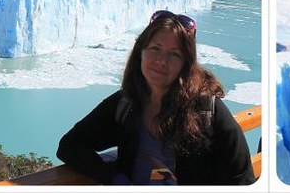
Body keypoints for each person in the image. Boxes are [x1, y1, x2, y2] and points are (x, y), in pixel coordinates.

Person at [58, 10, 254, 185]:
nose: (161, 61)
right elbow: (69, 146)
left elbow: (241, 179)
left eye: (174, 54)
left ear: (186, 63)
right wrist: (114, 179)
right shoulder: (126, 104)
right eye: (155, 49)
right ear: (140, 52)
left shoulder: (207, 110)